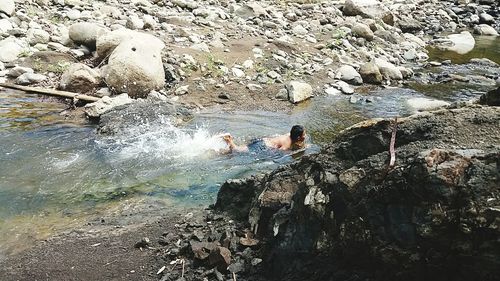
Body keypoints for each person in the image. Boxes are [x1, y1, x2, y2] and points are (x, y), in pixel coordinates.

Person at [222, 125, 306, 153]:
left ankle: (227, 146)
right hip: (262, 146)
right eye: (304, 135)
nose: (305, 136)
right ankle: (229, 140)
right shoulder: (287, 145)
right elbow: (279, 152)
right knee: (237, 150)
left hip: (263, 140)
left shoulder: (289, 134)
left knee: (242, 148)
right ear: (298, 137)